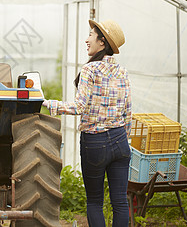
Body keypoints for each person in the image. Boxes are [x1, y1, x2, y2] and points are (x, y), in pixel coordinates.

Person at [43, 19, 132, 226]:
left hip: (95, 142)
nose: (86, 40)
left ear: (102, 42)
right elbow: (128, 111)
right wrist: (123, 139)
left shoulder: (90, 70)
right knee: (119, 202)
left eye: (91, 35)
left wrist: (49, 103)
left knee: (94, 201)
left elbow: (79, 106)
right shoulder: (122, 71)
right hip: (120, 140)